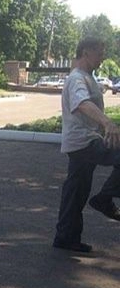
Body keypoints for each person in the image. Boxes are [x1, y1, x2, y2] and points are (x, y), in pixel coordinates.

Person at [53, 37, 120, 253]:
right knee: (77, 189)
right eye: (100, 53)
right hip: (84, 141)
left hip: (81, 141)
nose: (103, 57)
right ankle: (105, 198)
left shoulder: (86, 77)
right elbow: (82, 103)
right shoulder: (77, 79)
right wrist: (107, 123)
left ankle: (65, 237)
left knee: (76, 191)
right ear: (86, 53)